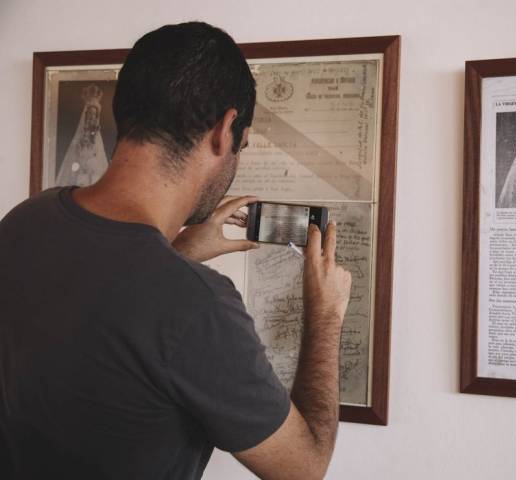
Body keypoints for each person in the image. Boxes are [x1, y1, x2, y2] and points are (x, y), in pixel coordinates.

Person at [0, 22, 351, 480]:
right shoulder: (199, 306)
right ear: (225, 130)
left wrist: (179, 254)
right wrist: (324, 316)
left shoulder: (28, 217)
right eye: (241, 147)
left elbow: (108, 307)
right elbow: (304, 467)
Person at [56, 84, 110, 187]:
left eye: (94, 115)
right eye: (90, 114)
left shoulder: (97, 139)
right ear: (85, 116)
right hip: (79, 177)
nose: (92, 118)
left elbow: (99, 161)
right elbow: (74, 162)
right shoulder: (79, 139)